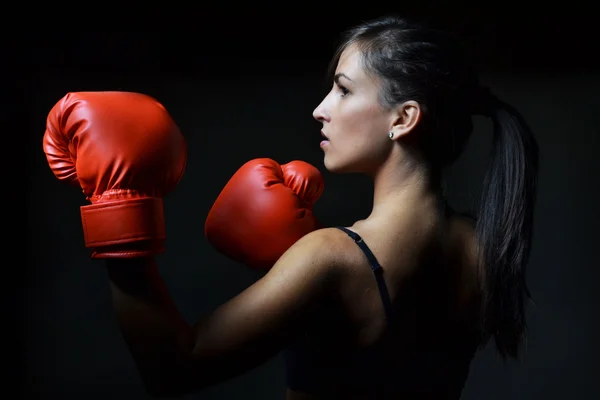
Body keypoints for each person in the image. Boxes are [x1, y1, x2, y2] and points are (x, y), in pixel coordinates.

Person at [43, 15, 539, 399]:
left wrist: (119, 211)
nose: (320, 108)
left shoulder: (332, 258)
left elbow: (173, 368)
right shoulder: (483, 246)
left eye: (343, 90)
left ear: (404, 118)